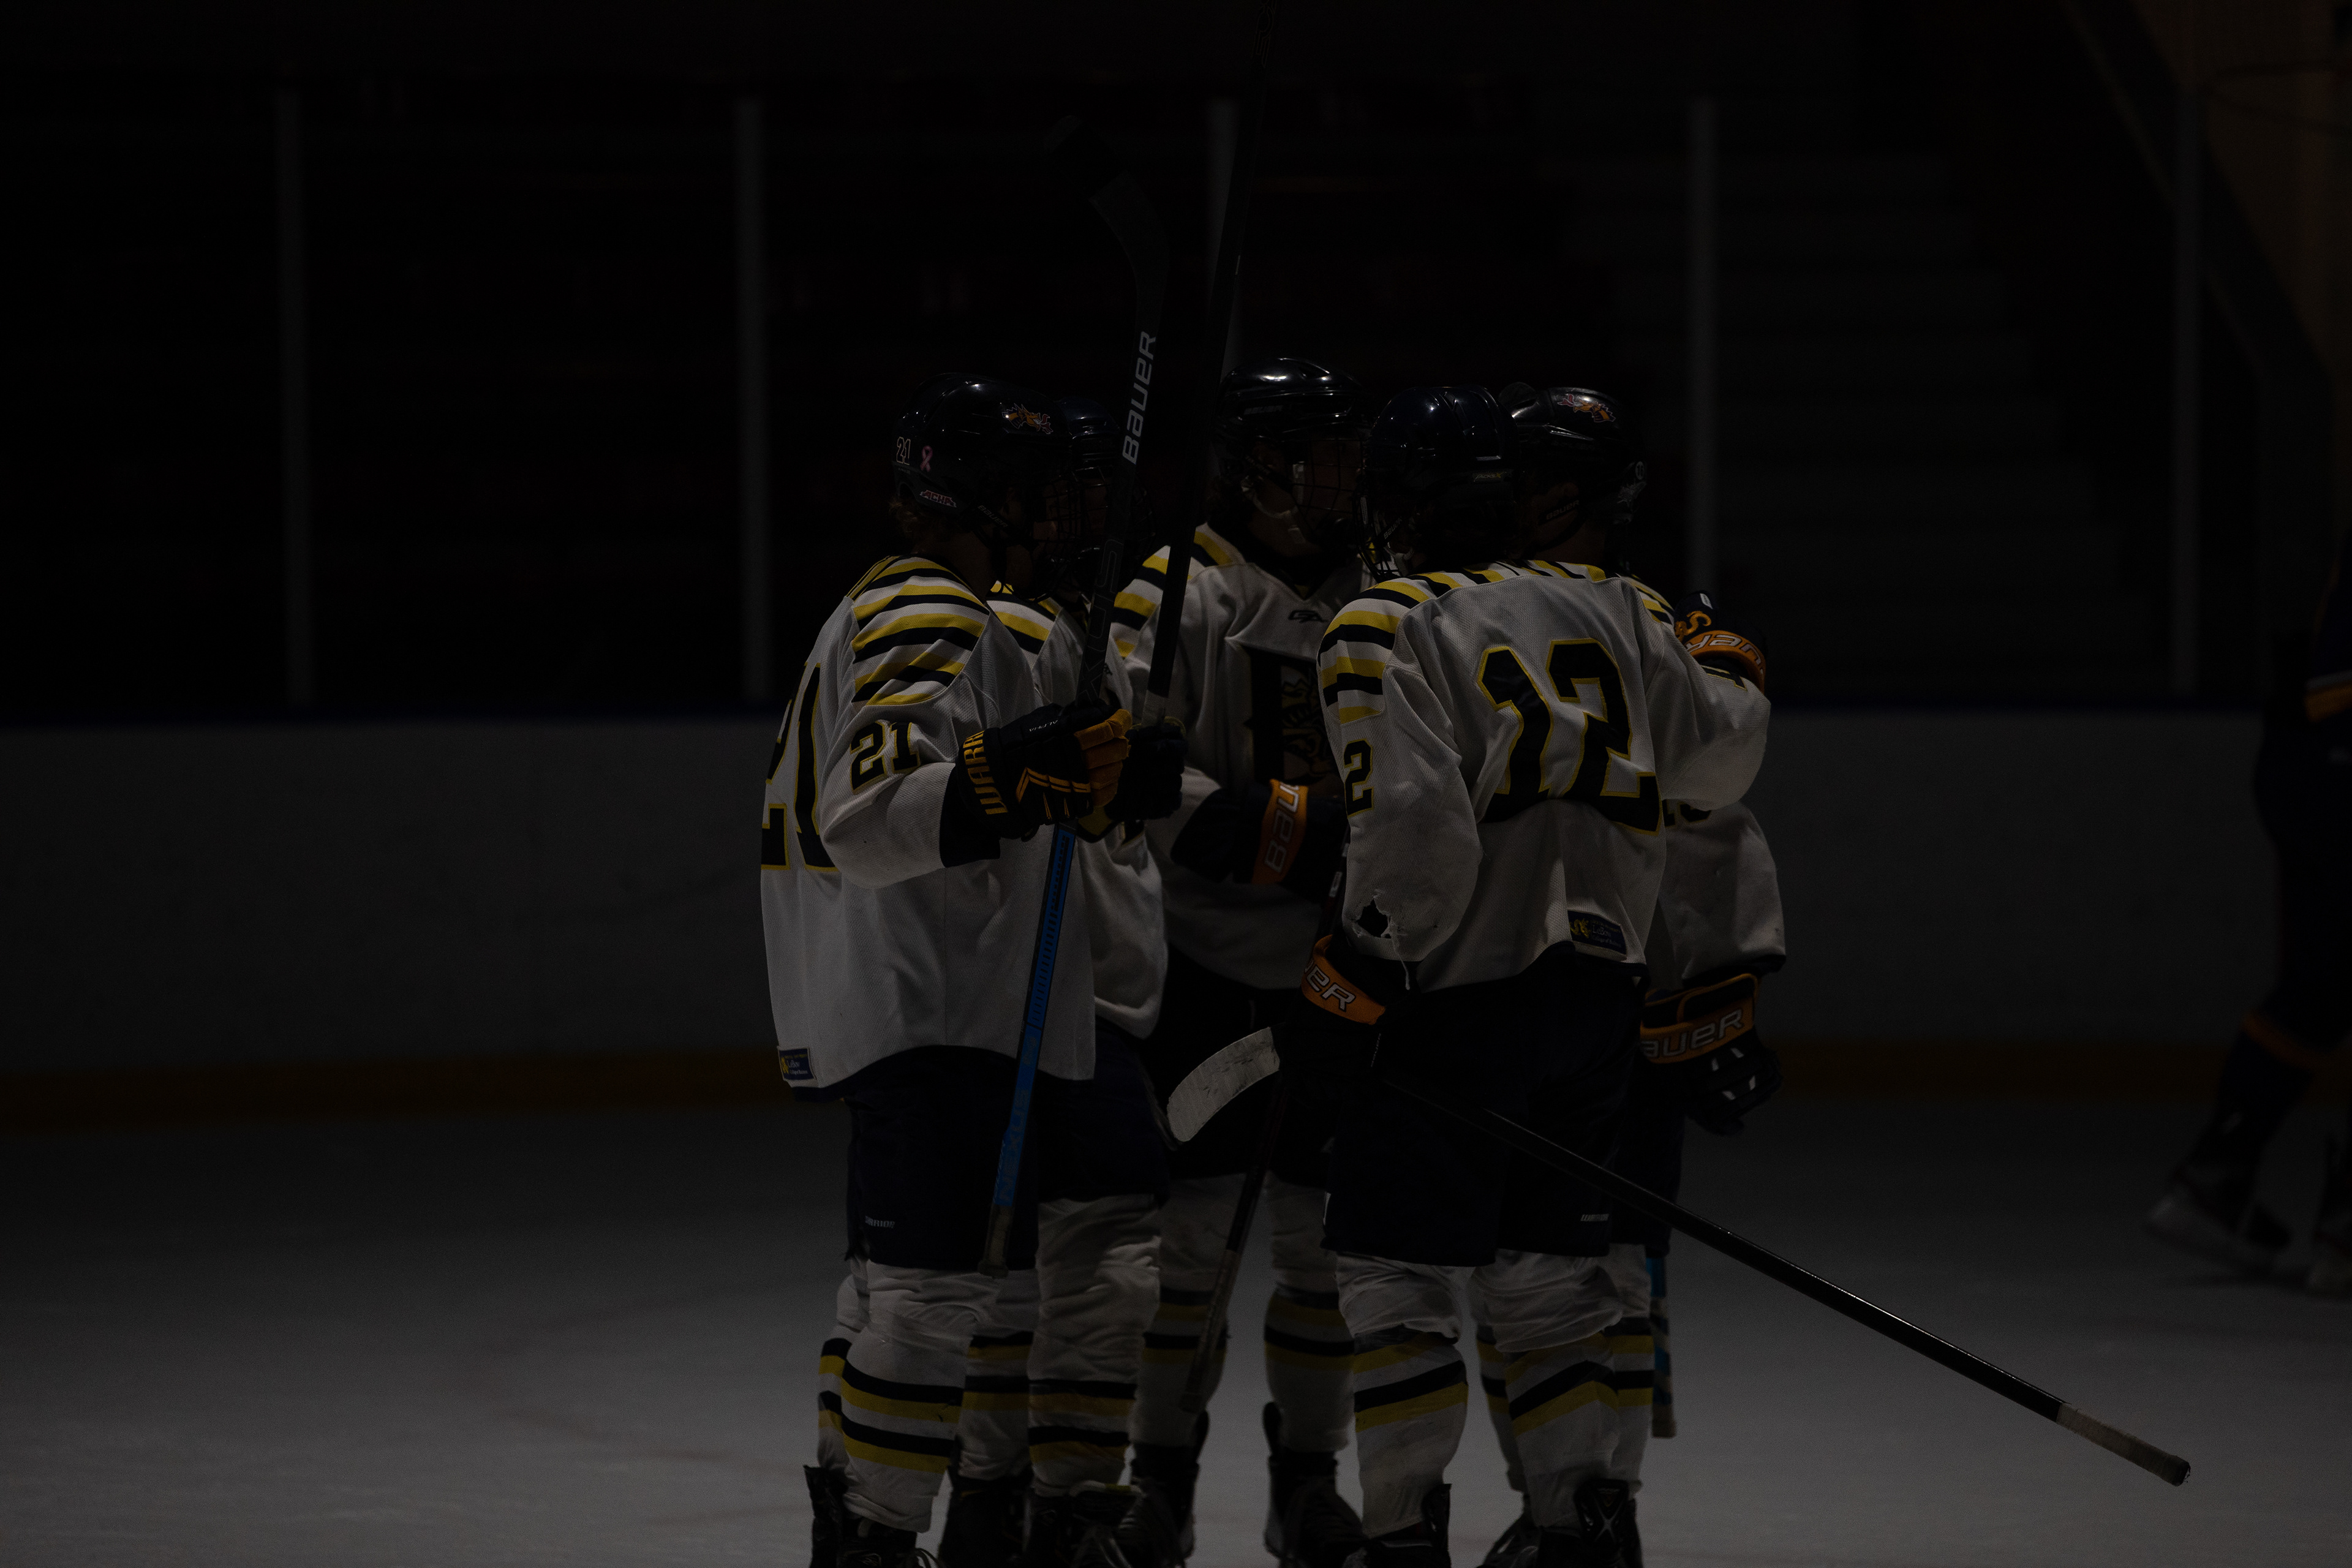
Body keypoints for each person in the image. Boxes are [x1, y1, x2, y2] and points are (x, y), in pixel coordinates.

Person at [1291, 384, 1771, 1568]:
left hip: (1462, 989)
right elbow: (1720, 765)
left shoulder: (1383, 618)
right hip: (1599, 1000)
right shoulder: (1620, 609)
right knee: (1557, 1281)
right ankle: (1580, 1527)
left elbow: (1410, 836)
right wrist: (1734, 667)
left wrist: (1356, 973)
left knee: (1396, 1280)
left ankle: (1401, 1537)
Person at [766, 373, 1185, 1568]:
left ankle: (902, 1523)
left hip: (962, 993)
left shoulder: (958, 610)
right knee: (927, 1285)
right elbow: (875, 810)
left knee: (926, 1279)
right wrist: (1016, 776)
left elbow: (996, 779)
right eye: (1038, 490)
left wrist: (1089, 780)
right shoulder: (925, 606)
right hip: (937, 993)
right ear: (975, 491)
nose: (1061, 514)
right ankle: (880, 1536)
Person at [1463, 387, 1785, 1567]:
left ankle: (1578, 1508)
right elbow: (1713, 797)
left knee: (1539, 1268)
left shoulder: (1467, 615)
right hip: (1628, 987)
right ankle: (1598, 1508)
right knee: (1603, 1264)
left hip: (1519, 989)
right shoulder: (1653, 622)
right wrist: (1716, 990)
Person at [1108, 358, 1381, 1568]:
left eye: (1345, 455)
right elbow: (1162, 796)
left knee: (1327, 1249)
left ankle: (1305, 1477)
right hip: (1206, 972)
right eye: (1313, 455)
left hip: (1345, 969)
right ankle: (1157, 1477)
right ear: (1257, 463)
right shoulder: (1176, 596)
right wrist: (1331, 833)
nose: (1336, 480)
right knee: (1193, 1253)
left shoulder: (1391, 592)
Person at [937, 395, 1186, 1568]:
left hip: (1111, 1006)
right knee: (1003, 1264)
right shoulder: (989, 632)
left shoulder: (1108, 637)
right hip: (1015, 1007)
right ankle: (989, 1497)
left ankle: (1075, 1505)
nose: (1090, 520)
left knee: (1111, 1259)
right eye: (1067, 497)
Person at [2145, 527, 2352, 1295]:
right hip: (2333, 757)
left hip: (2310, 762)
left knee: (2321, 984)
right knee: (2323, 981)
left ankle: (2218, 1173)